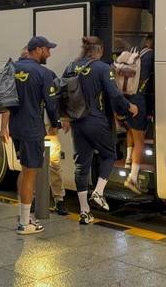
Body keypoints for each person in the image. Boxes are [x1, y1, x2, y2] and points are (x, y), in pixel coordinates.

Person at [63, 36, 138, 224]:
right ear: (99, 51)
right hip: (96, 121)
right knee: (110, 155)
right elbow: (114, 94)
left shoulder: (71, 66)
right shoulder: (103, 68)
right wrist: (130, 107)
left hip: (77, 123)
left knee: (82, 165)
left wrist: (64, 117)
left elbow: (61, 92)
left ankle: (84, 212)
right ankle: (98, 192)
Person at [1, 36, 64, 234]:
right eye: (47, 49)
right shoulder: (42, 73)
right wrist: (56, 123)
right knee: (30, 174)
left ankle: (24, 215)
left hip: (16, 127)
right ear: (37, 50)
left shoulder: (13, 69)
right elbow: (51, 104)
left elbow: (5, 99)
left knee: (24, 170)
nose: (49, 53)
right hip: (32, 129)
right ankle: (24, 223)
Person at [121, 35, 154, 194]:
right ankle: (133, 178)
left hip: (127, 98)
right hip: (139, 100)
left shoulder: (136, 54)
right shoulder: (151, 56)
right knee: (140, 139)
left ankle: (128, 159)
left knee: (131, 130)